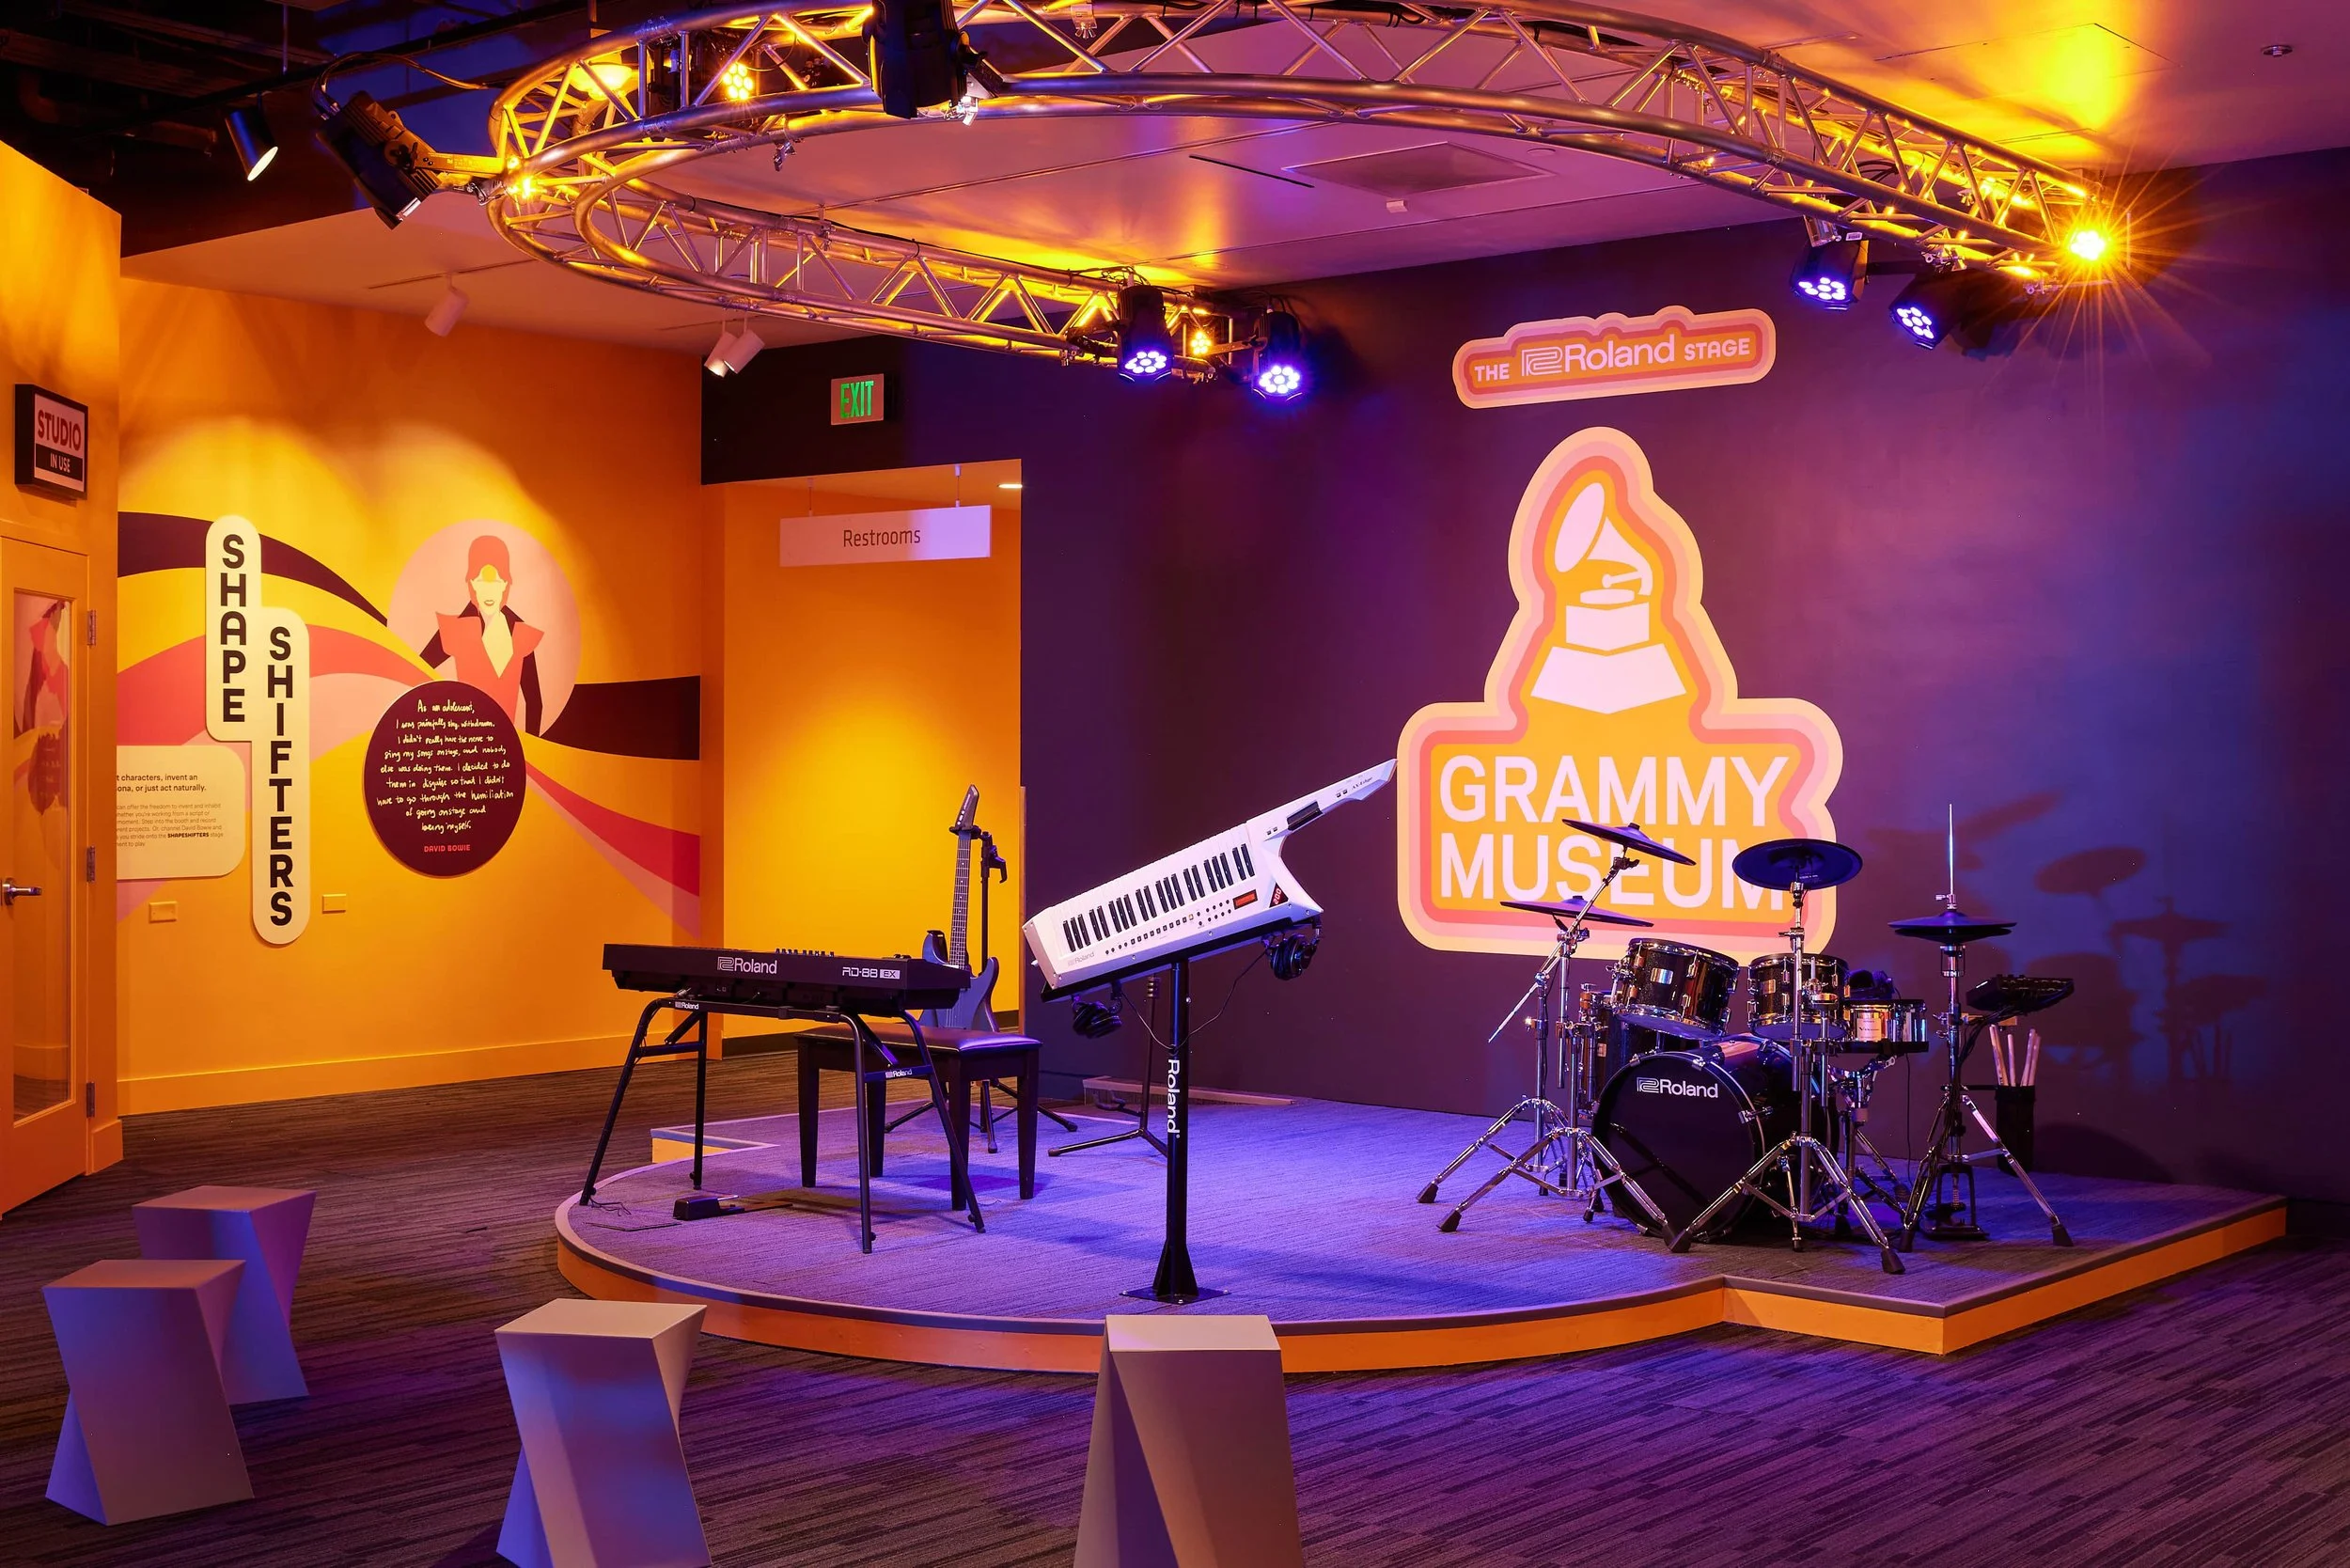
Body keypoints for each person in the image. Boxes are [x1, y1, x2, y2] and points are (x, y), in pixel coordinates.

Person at [418, 535, 544, 734]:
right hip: (465, 743)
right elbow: (419, 671)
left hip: (506, 745)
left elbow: (535, 701)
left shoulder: (521, 634)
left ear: (505, 584)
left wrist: (529, 751)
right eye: (480, 581)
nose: (488, 591)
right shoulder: (455, 629)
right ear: (472, 584)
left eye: (496, 581)